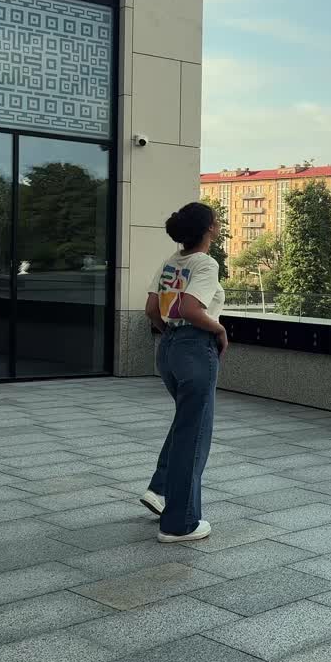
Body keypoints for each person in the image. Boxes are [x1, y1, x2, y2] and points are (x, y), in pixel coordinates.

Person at [140, 202, 228, 543]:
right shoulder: (205, 263)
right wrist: (218, 331)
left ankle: (160, 489)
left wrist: (172, 335)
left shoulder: (170, 262)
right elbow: (192, 309)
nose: (218, 225)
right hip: (194, 350)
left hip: (169, 349)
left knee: (185, 425)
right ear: (207, 229)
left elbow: (151, 309)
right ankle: (180, 523)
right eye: (216, 221)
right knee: (194, 436)